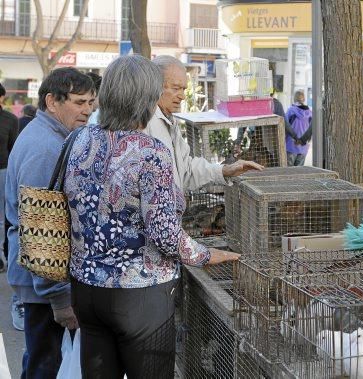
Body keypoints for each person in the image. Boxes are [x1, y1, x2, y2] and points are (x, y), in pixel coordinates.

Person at [65, 54, 240, 378]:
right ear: (146, 99)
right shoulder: (150, 151)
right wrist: (205, 254)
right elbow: (164, 233)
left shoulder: (79, 139)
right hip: (138, 296)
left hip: (86, 290)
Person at [6, 67, 95, 377]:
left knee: (42, 360)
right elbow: (42, 227)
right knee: (46, 364)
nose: (87, 110)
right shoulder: (46, 147)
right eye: (79, 102)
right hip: (42, 282)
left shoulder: (51, 136)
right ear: (52, 102)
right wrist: (58, 296)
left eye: (90, 103)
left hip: (39, 279)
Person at [146, 55, 262, 192]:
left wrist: (225, 170)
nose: (182, 96)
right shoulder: (144, 124)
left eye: (183, 89)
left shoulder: (170, 120)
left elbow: (186, 169)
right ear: (154, 86)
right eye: (176, 88)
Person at [0, 83, 18, 274]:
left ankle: (1, 257)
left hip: (2, 172)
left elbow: (13, 149)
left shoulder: (10, 119)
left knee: (1, 217)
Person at [285, 90, 312, 166]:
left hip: (291, 146)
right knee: (299, 172)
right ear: (304, 99)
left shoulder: (291, 111)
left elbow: (285, 126)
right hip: (304, 147)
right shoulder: (310, 113)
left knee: (289, 172)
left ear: (294, 99)